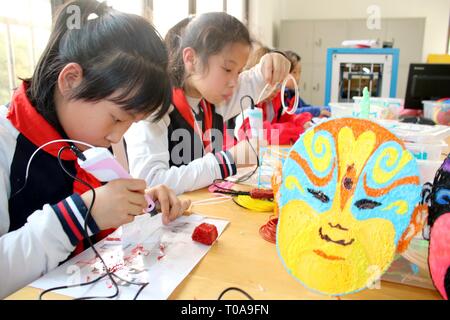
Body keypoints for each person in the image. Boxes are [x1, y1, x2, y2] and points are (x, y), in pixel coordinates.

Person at [0, 0, 190, 299]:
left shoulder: (94, 138)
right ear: (71, 80)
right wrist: (77, 217)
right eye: (116, 118)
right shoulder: (5, 142)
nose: (118, 136)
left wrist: (141, 207)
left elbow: (102, 226)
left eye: (131, 123)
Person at [124, 12, 291, 195]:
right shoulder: (153, 107)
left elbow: (257, 80)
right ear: (191, 59)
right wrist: (228, 160)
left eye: (238, 72)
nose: (234, 81)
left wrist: (274, 60)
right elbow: (151, 182)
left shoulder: (212, 98)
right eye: (227, 69)